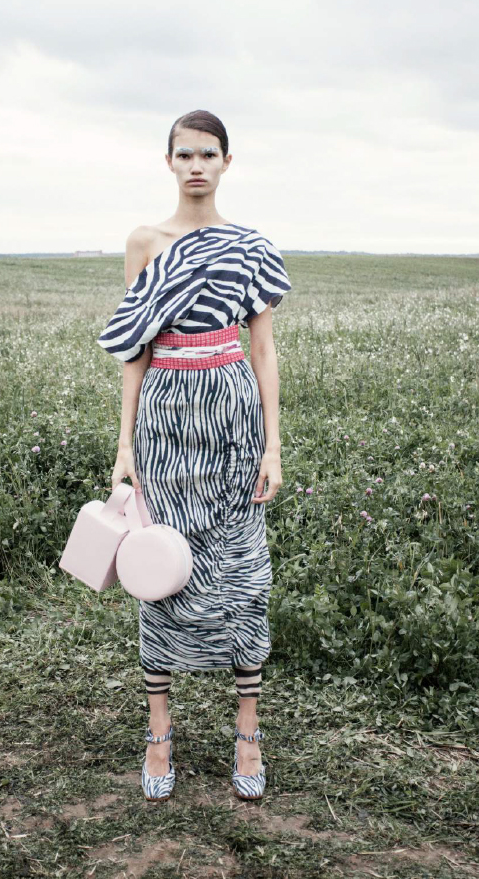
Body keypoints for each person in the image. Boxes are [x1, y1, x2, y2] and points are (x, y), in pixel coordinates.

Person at [96, 109, 291, 801]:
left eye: (209, 154)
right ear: (169, 162)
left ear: (227, 162)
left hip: (232, 416)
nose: (197, 165)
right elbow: (134, 349)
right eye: (185, 154)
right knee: (157, 562)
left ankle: (248, 731)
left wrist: (273, 445)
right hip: (164, 417)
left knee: (242, 568)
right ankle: (159, 733)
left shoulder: (252, 247)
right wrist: (125, 442)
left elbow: (263, 350)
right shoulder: (144, 242)